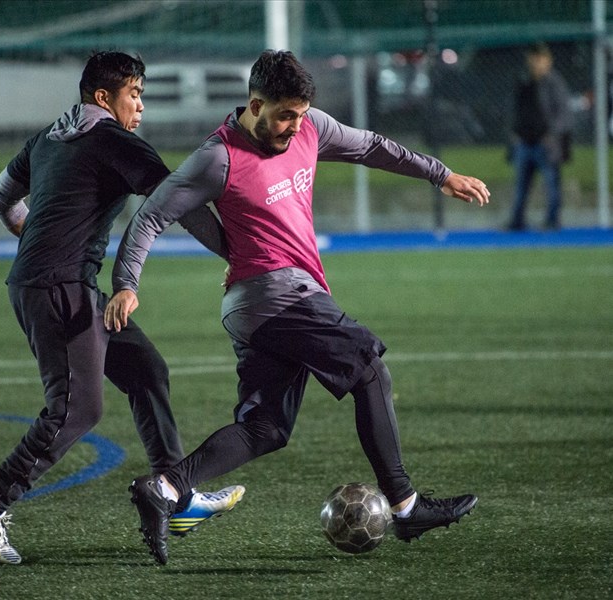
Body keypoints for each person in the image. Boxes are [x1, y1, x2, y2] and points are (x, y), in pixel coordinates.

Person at [105, 50, 491, 565]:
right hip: (278, 298)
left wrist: (439, 174)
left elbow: (374, 147)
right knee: (369, 370)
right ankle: (405, 506)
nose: (294, 126)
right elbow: (150, 217)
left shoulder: (310, 128)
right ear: (255, 104)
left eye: (301, 114)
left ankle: (166, 489)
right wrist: (127, 283)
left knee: (266, 428)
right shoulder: (218, 157)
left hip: (262, 305)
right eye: (285, 115)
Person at [0, 51, 244, 565]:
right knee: (77, 409)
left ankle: (173, 493)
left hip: (56, 285)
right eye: (135, 94)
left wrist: (22, 223)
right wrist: (239, 254)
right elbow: (178, 201)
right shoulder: (114, 141)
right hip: (58, 288)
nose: (141, 106)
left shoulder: (47, 137)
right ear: (104, 98)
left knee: (145, 369)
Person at [506, 43, 573, 231]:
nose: (536, 63)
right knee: (520, 187)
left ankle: (552, 221)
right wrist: (514, 134)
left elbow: (564, 115)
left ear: (548, 60)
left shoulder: (555, 83)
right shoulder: (523, 81)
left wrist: (551, 136)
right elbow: (514, 111)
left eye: (540, 58)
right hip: (524, 142)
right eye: (533, 58)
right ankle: (517, 222)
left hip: (545, 144)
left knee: (551, 185)